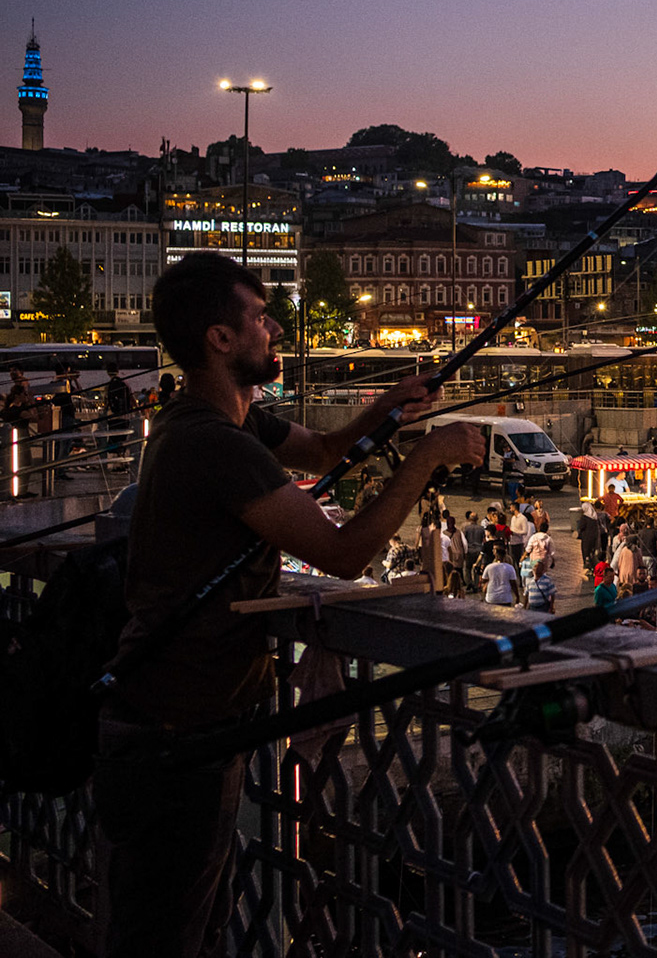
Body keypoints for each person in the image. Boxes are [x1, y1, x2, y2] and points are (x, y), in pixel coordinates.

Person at [94, 252, 483, 958]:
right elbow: (343, 552)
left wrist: (386, 410)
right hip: (179, 733)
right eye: (260, 317)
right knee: (167, 937)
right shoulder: (217, 443)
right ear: (220, 338)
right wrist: (428, 457)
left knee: (186, 926)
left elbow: (327, 450)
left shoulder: (216, 421)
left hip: (170, 721)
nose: (275, 329)